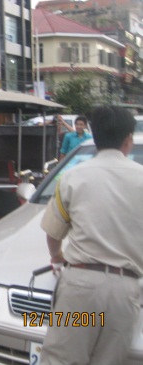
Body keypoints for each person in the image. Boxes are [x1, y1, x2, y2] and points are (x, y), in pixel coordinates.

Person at [40, 106, 143, 365]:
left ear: (93, 136)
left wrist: (57, 256)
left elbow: (53, 233)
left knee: (61, 359)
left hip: (80, 289)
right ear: (128, 139)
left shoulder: (72, 176)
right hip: (126, 294)